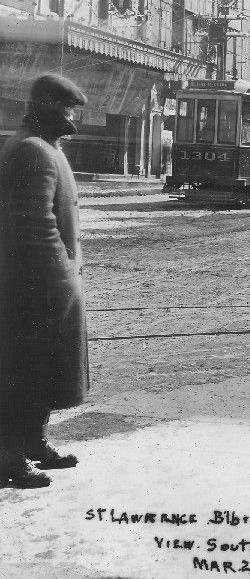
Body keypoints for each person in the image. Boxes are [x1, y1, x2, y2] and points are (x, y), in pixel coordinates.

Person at [0, 74, 89, 488]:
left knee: (41, 368)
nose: (72, 118)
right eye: (67, 109)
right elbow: (37, 228)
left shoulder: (43, 148)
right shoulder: (34, 151)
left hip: (42, 283)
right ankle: (9, 457)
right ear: (50, 108)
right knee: (25, 370)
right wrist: (63, 281)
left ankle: (32, 441)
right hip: (35, 286)